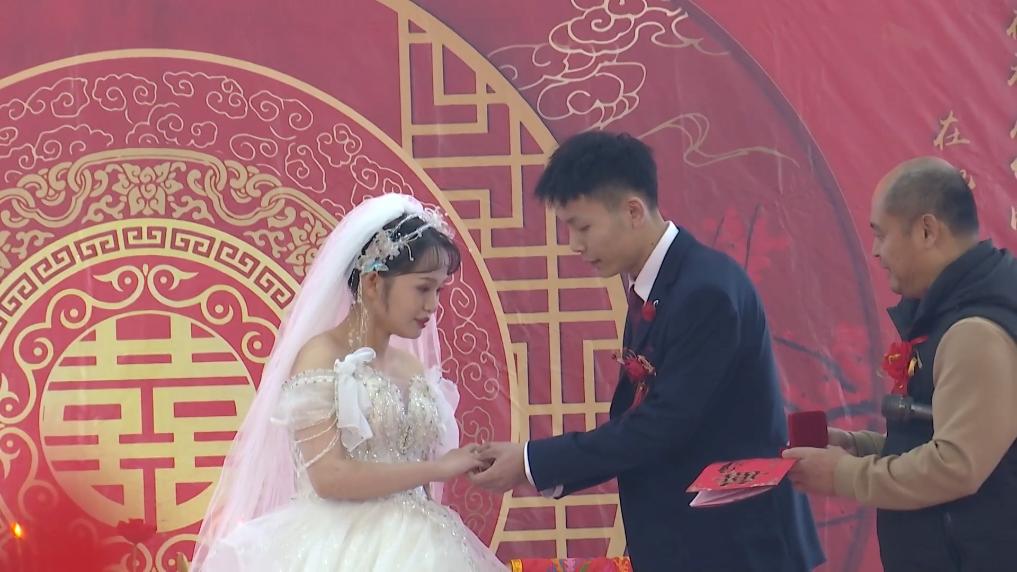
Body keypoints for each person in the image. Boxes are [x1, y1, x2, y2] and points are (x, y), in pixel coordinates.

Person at [471, 131, 824, 571]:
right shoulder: (659, 285)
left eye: (583, 227)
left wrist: (530, 462)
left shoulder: (705, 293)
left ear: (633, 211)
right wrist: (531, 463)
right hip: (691, 541)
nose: (574, 244)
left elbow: (661, 425)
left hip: (737, 544)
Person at [191, 194, 505, 571]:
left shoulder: (411, 367)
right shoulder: (321, 356)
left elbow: (417, 478)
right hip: (340, 547)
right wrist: (438, 469)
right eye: (423, 288)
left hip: (424, 547)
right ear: (372, 283)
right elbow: (329, 477)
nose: (433, 305)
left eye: (439, 290)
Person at [784, 157, 1017, 571]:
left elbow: (956, 467)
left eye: (881, 234)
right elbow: (943, 438)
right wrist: (855, 448)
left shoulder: (975, 334)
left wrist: (843, 475)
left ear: (927, 231)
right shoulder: (955, 313)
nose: (875, 251)